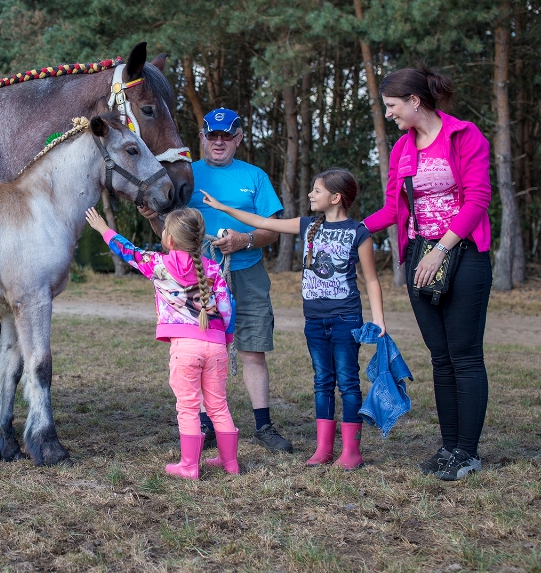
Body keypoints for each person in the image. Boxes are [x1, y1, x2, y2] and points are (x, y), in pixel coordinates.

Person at [202, 169, 387, 469]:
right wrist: (223, 208)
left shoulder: (359, 233)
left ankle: (351, 452)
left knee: (349, 384)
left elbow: (372, 280)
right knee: (322, 382)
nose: (311, 195)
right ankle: (324, 448)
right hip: (314, 320)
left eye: (317, 190)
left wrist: (378, 320)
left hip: (346, 320)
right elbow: (263, 222)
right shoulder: (307, 226)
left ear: (336, 197)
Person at [364, 66, 493, 481]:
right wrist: (346, 230)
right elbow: (391, 209)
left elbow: (478, 199)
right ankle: (448, 447)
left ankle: (467, 453)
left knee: (465, 357)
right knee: (441, 360)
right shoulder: (403, 148)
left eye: (392, 106)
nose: (388, 115)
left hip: (463, 255)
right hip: (419, 258)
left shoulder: (464, 135)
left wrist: (440, 250)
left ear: (415, 101)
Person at [141, 107, 294, 453]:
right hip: (198, 278)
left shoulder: (255, 177)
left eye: (227, 136)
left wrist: (245, 240)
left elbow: (272, 230)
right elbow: (168, 231)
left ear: (238, 138)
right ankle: (206, 425)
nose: (219, 142)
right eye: (213, 135)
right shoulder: (186, 176)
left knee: (253, 350)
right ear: (202, 138)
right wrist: (153, 218)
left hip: (248, 273)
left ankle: (264, 425)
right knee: (204, 353)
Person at [85, 206, 240, 479]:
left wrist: (102, 229)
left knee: (188, 407)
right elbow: (228, 308)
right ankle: (230, 463)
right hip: (216, 346)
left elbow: (128, 252)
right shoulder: (213, 268)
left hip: (185, 348)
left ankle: (189, 466)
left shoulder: (158, 264)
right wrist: (226, 340)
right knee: (218, 405)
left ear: (169, 240)